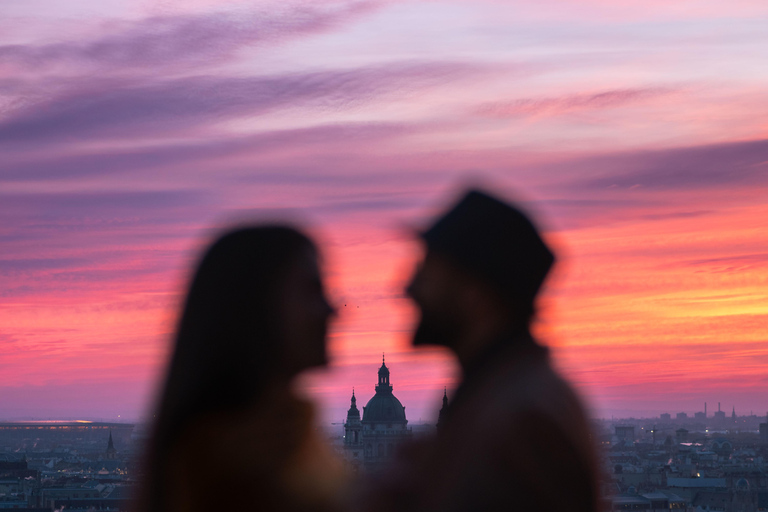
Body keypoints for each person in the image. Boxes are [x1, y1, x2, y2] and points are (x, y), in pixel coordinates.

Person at [366, 189, 600, 512]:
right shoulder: (506, 393)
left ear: (474, 295)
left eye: (428, 270)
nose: (407, 287)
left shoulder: (523, 419)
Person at [137, 226, 345, 512]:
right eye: (312, 291)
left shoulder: (280, 440)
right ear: (257, 306)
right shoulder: (239, 464)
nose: (333, 310)